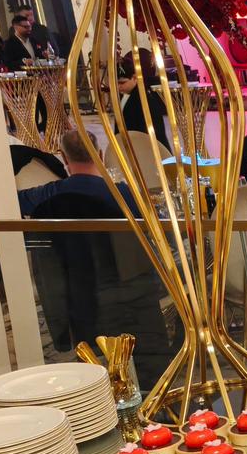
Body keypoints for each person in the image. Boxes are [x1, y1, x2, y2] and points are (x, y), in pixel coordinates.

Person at [18, 128, 175, 387]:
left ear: (64, 159)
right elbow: (158, 239)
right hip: (136, 294)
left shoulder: (50, 195)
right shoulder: (125, 195)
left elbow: (14, 201)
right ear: (100, 155)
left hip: (82, 301)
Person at [117, 50, 171, 150]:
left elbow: (153, 130)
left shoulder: (144, 98)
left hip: (144, 148)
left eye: (122, 83)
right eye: (116, 83)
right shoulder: (122, 95)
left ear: (134, 78)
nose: (118, 87)